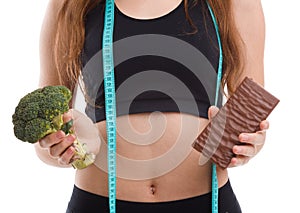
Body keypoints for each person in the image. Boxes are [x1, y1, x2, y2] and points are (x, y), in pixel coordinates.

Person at [36, 0, 268, 212]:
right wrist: (56, 148)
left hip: (206, 201)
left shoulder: (235, 3)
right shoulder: (69, 4)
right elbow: (41, 134)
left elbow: (251, 112)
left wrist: (249, 144)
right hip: (99, 201)